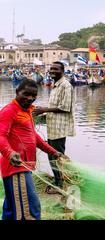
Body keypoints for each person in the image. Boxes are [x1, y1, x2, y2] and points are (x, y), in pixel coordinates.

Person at [0, 79, 65, 220]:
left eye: (33, 95)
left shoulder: (27, 111)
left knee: (11, 209)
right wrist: (10, 153)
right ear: (17, 92)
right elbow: (1, 136)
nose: (29, 98)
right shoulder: (9, 111)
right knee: (30, 208)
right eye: (26, 94)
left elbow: (33, 136)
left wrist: (53, 151)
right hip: (16, 167)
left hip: (25, 166)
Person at [32, 61, 76, 194]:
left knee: (57, 157)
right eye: (51, 69)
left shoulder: (65, 85)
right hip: (52, 127)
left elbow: (65, 107)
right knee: (51, 156)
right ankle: (58, 181)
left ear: (62, 71)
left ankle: (61, 185)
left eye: (55, 69)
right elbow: (54, 108)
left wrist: (44, 109)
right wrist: (41, 112)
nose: (52, 71)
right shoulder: (55, 85)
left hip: (59, 128)